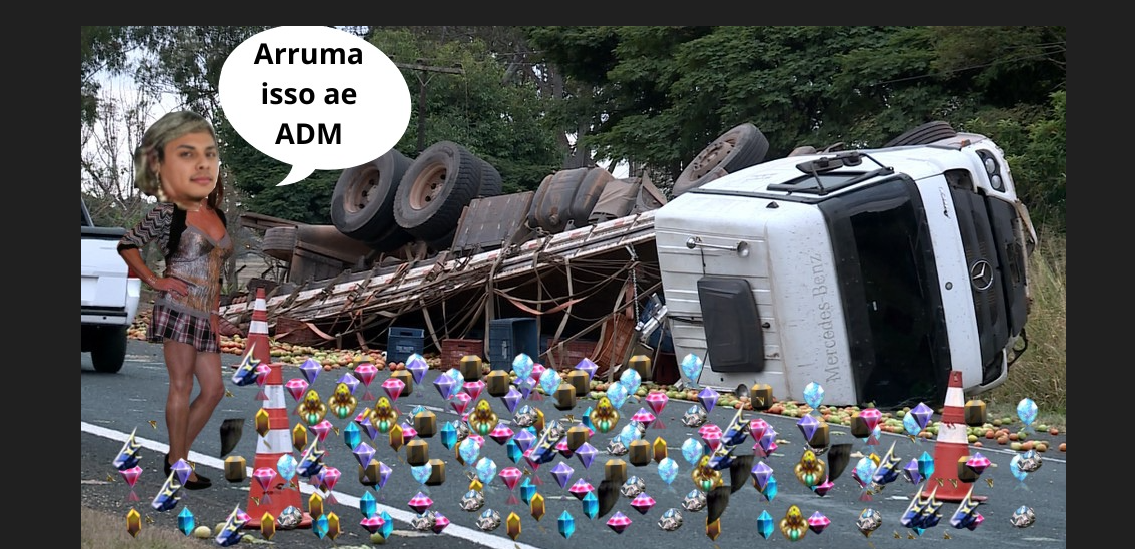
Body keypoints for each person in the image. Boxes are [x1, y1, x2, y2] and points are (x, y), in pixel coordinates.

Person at [117, 111, 233, 490]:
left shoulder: (218, 215)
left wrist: (214, 312)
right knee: (181, 385)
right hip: (178, 308)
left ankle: (175, 456)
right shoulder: (170, 212)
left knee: (214, 389)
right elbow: (128, 244)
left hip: (204, 314)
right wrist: (155, 280)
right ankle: (180, 463)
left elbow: (216, 271)